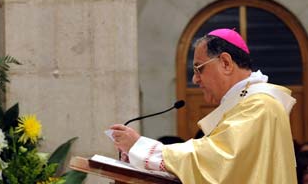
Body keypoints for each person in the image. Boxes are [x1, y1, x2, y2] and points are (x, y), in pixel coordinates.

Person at [111, 28, 297, 183]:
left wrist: (142, 149)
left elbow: (216, 160)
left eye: (199, 68)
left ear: (225, 63)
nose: (195, 79)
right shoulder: (247, 104)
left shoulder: (260, 105)